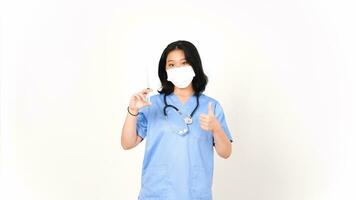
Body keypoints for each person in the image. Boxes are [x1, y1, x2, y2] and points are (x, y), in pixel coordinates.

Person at [121, 40, 234, 200]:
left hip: (195, 194)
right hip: (156, 193)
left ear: (194, 66)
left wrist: (216, 128)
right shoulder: (152, 104)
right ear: (165, 70)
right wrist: (132, 111)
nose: (178, 69)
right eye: (171, 65)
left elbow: (226, 152)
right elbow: (127, 143)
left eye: (184, 63)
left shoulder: (211, 106)